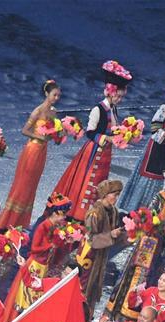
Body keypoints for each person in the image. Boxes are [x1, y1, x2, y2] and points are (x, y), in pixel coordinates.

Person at [53, 60, 131, 222]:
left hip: (105, 152)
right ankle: (79, 215)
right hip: (94, 152)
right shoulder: (98, 109)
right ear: (110, 92)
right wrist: (108, 138)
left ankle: (93, 214)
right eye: (118, 96)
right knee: (88, 182)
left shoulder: (113, 109)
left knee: (100, 183)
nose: (120, 99)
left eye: (122, 97)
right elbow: (90, 132)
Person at [107, 170, 165, 321]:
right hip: (149, 241)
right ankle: (124, 308)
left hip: (160, 243)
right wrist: (163, 227)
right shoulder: (158, 197)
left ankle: (139, 309)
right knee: (139, 272)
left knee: (152, 273)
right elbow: (148, 218)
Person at [119, 76, 165, 213]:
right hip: (155, 147)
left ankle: (151, 210)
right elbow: (155, 127)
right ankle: (135, 209)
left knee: (159, 175)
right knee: (149, 175)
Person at [0, 80, 62, 229]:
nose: (56, 98)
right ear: (47, 93)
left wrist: (58, 135)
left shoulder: (53, 112)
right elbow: (25, 130)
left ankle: (21, 222)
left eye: (58, 95)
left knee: (32, 186)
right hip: (32, 150)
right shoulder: (38, 111)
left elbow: (53, 133)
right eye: (54, 95)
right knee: (23, 185)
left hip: (42, 151)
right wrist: (42, 136)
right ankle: (7, 222)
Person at [1, 192, 71, 322]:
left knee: (35, 299)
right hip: (34, 266)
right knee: (27, 299)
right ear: (55, 214)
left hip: (43, 267)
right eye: (63, 214)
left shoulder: (54, 227)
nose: (64, 217)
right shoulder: (42, 227)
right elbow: (35, 248)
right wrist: (51, 245)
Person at [77, 179, 125, 319]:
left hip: (101, 256)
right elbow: (91, 238)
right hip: (89, 256)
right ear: (105, 194)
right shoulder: (94, 213)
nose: (116, 198)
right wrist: (110, 235)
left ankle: (85, 316)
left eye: (117, 195)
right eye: (114, 195)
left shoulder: (114, 211)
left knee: (93, 287)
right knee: (84, 285)